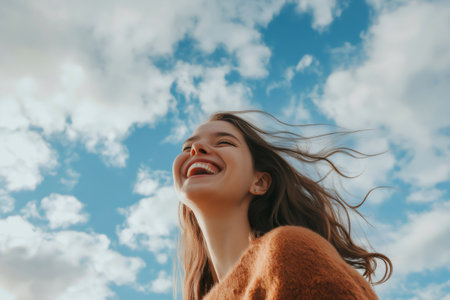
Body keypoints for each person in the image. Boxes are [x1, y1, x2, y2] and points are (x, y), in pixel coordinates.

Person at [172, 110, 392, 300]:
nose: (196, 148)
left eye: (224, 142)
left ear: (258, 182)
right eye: (186, 147)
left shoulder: (289, 252)